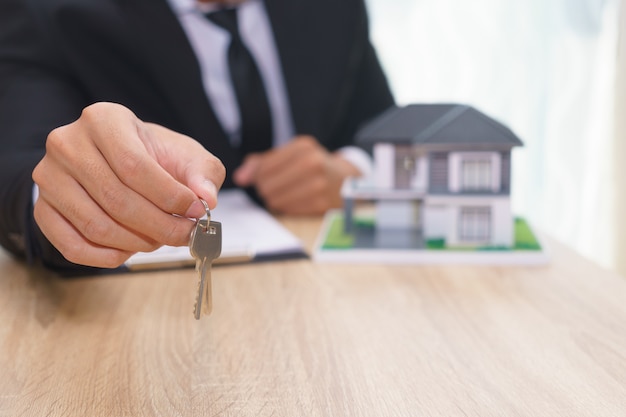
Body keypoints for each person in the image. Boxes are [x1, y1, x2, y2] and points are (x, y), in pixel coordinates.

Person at [0, 0, 394, 272]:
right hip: (140, 313)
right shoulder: (48, 13)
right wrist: (72, 195)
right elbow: (19, 171)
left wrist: (351, 174)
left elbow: (382, 125)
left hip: (324, 287)